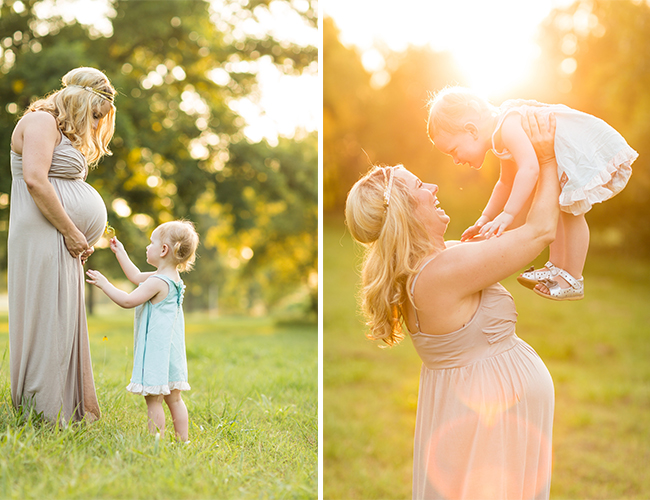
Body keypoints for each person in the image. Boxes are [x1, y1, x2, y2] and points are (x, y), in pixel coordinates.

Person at [345, 111, 560, 500]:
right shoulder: (441, 272)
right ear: (408, 211)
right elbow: (541, 231)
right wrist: (545, 160)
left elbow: (503, 242)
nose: (433, 185)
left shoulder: (434, 264)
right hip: (490, 422)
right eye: (419, 185)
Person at [427, 86, 638, 300]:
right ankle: (555, 267)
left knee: (572, 211)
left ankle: (573, 277)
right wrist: (485, 218)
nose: (455, 160)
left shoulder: (507, 125)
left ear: (472, 131)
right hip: (561, 154)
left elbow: (530, 168)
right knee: (555, 204)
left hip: (576, 147)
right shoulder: (499, 136)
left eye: (453, 151)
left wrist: (508, 213)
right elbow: (505, 183)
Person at [8, 67, 116, 425]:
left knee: (63, 318)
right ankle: (41, 412)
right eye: (96, 114)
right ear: (77, 100)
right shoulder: (40, 122)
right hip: (43, 230)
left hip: (61, 234)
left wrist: (80, 235)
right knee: (46, 316)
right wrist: (72, 231)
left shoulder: (60, 129)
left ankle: (67, 408)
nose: (97, 123)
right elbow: (36, 181)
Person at [85, 220, 199, 442]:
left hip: (157, 353)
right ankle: (183, 441)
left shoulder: (157, 282)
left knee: (153, 400)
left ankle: (156, 441)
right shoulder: (173, 279)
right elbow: (136, 277)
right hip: (171, 352)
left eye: (151, 242)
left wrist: (104, 284)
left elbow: (128, 301)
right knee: (175, 399)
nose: (148, 247)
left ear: (164, 250)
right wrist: (121, 253)